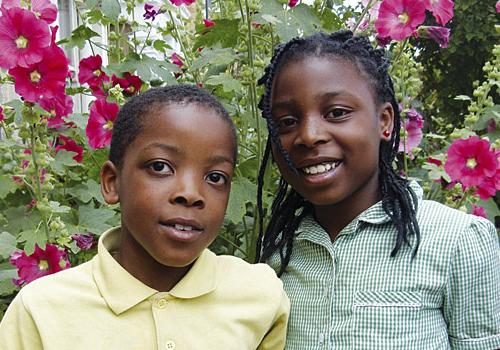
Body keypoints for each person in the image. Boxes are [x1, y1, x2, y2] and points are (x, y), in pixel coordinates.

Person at [255, 30, 500, 349]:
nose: (309, 135)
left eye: (337, 113)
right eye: (286, 122)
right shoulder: (279, 249)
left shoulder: (457, 240)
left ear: (385, 121)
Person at [0, 85, 289, 349]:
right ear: (113, 183)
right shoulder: (40, 312)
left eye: (215, 177)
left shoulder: (260, 294)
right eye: (160, 167)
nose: (190, 193)